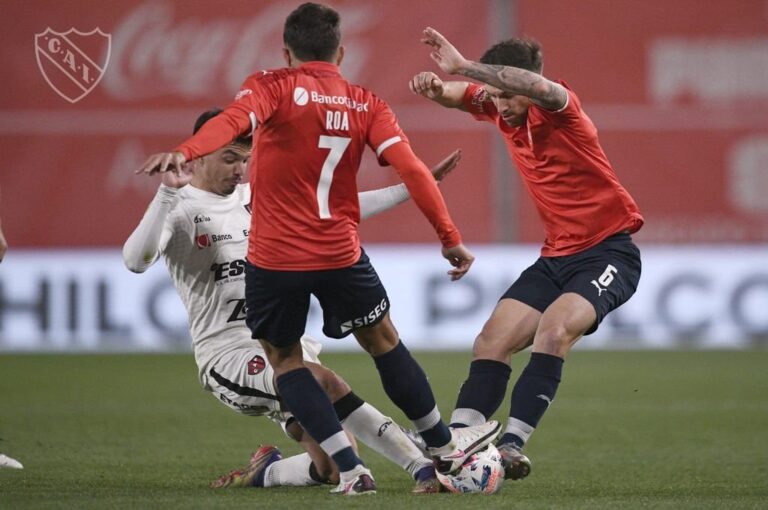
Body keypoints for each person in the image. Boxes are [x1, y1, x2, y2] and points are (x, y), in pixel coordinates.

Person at [137, 3, 500, 496]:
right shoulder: (366, 101)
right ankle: (441, 444)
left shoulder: (271, 85)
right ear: (342, 51)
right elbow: (412, 169)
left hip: (276, 259)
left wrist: (187, 148)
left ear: (286, 51)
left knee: (287, 362)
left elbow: (232, 120)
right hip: (340, 253)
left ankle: (352, 475)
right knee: (384, 341)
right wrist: (449, 237)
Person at [125, 109, 464, 493]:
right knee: (327, 382)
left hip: (286, 342)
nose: (240, 170)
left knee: (329, 464)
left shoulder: (260, 196)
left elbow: (344, 207)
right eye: (230, 158)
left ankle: (266, 472)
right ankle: (419, 466)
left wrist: (415, 184)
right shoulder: (181, 206)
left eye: (246, 160)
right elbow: (136, 260)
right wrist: (167, 193)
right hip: (230, 354)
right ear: (199, 154)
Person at [410, 27, 644, 481]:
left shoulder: (561, 110)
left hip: (608, 253)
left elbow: (539, 88)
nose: (499, 105)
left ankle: (512, 445)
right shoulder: (502, 107)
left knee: (554, 331)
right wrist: (439, 88)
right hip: (555, 257)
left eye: (506, 96)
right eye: (494, 97)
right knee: (490, 342)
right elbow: (461, 95)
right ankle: (458, 441)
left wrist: (461, 66)